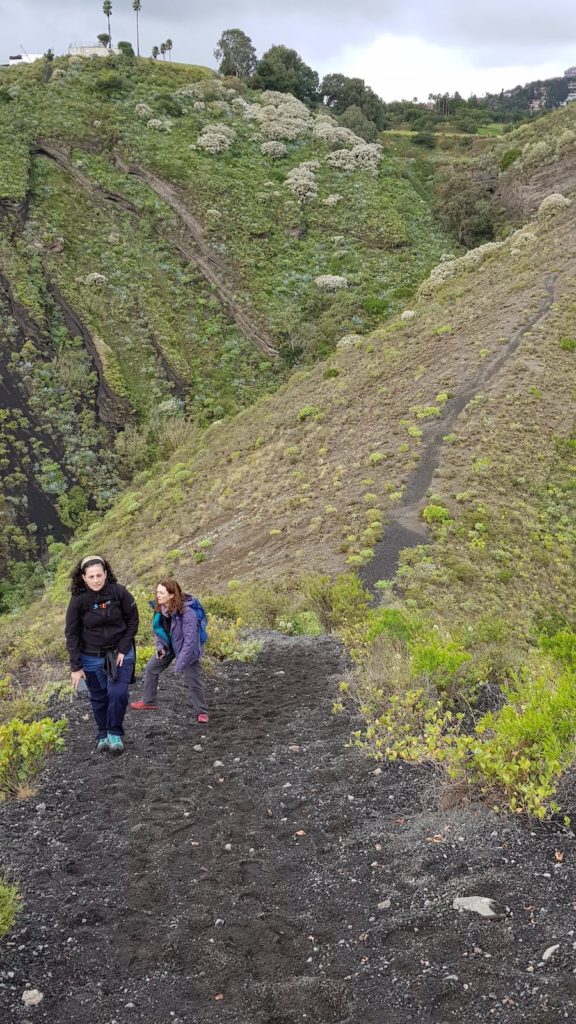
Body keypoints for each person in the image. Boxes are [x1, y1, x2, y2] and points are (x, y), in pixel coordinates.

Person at [65, 555, 139, 754]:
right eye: (91, 576)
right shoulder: (78, 601)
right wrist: (76, 667)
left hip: (120, 653)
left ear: (106, 574)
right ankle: (103, 734)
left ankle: (114, 732)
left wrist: (123, 648)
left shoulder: (119, 593)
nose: (96, 580)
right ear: (83, 577)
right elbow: (71, 634)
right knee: (99, 697)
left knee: (118, 693)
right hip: (91, 656)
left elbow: (133, 621)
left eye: (99, 575)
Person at [131, 578, 208, 724]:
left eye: (161, 593)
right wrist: (161, 649)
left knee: (193, 680)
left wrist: (180, 663)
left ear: (172, 595)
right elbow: (159, 631)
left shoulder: (188, 613)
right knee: (151, 668)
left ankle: (202, 712)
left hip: (188, 649)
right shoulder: (160, 610)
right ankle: (149, 701)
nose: (157, 595)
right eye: (157, 592)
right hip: (169, 646)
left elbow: (190, 642)